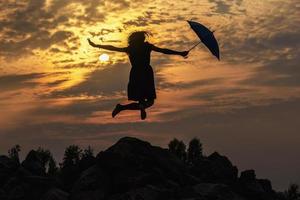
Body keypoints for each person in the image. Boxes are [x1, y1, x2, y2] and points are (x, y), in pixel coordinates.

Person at [88, 31, 189, 120]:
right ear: (142, 39)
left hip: (136, 73)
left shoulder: (130, 48)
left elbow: (113, 48)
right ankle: (130, 107)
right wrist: (180, 53)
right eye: (143, 37)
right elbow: (164, 50)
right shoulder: (147, 46)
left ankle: (129, 107)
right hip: (146, 72)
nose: (145, 39)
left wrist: (96, 45)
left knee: (142, 98)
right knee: (150, 102)